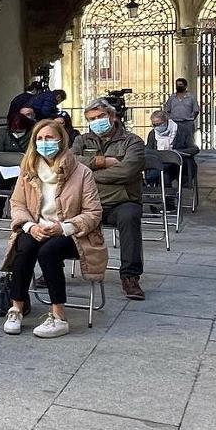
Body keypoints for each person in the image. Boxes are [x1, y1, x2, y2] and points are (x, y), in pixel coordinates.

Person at [0, 119, 105, 338]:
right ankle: (16, 308)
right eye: (39, 138)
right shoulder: (28, 170)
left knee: (49, 251)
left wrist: (64, 227)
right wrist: (29, 226)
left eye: (49, 138)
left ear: (61, 140)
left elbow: (93, 213)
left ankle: (59, 316)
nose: (44, 142)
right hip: (37, 228)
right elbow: (17, 204)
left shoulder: (81, 172)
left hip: (73, 233)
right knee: (24, 245)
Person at [73, 98, 147, 300]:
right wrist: (102, 161)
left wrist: (88, 174)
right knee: (60, 212)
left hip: (121, 201)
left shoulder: (133, 141)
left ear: (112, 117)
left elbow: (127, 171)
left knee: (130, 217)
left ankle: (130, 277)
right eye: (91, 119)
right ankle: (51, 265)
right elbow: (69, 163)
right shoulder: (82, 140)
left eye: (100, 117)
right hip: (89, 202)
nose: (96, 122)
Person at [144, 110, 198, 209]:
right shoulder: (153, 134)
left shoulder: (182, 130)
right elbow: (148, 150)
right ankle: (168, 204)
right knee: (164, 174)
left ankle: (148, 182)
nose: (156, 127)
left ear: (166, 121)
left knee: (163, 169)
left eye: (159, 124)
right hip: (161, 165)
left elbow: (194, 149)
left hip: (179, 166)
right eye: (154, 125)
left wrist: (175, 153)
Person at [0, 109, 36, 216]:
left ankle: (24, 210)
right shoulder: (6, 134)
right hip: (7, 168)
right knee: (1, 181)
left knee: (24, 181)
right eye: (15, 131)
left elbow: (32, 152)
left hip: (24, 167)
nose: (17, 133)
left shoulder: (32, 134)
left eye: (20, 130)